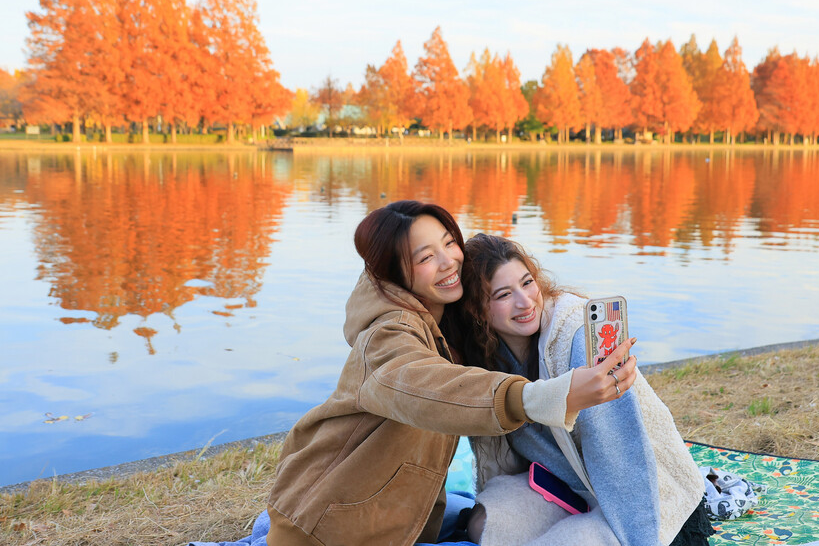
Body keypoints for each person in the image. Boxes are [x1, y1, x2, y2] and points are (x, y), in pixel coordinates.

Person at [265, 201, 636, 546]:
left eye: (449, 243)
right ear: (395, 273)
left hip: (382, 515)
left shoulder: (441, 320)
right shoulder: (386, 336)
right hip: (329, 528)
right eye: (427, 257)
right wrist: (547, 397)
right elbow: (430, 387)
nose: (449, 262)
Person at [457, 233, 712, 546]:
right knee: (484, 527)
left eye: (527, 283)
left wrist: (641, 539)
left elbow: (620, 452)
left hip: (633, 497)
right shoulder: (486, 357)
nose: (525, 302)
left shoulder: (577, 338)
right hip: (565, 488)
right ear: (476, 310)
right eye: (503, 295)